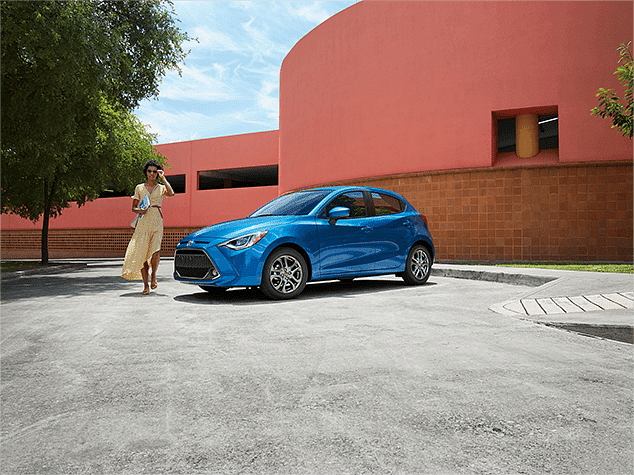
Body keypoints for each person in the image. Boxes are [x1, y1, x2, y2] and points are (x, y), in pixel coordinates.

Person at [121, 159, 174, 294]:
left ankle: (154, 275)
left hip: (156, 221)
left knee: (156, 251)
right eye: (149, 171)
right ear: (146, 172)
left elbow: (171, 193)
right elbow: (133, 207)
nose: (152, 173)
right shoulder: (139, 187)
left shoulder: (161, 188)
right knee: (143, 254)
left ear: (157, 173)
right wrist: (140, 210)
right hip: (143, 223)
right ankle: (145, 285)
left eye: (155, 171)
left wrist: (163, 178)